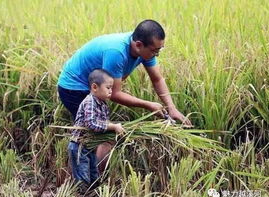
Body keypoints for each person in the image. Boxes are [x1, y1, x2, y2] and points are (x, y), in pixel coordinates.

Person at [58, 19, 191, 125]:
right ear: (138, 45)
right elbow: (115, 94)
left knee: (102, 134)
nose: (157, 54)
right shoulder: (116, 53)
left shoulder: (147, 52)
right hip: (74, 87)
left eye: (159, 50)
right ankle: (83, 158)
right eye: (154, 50)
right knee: (98, 135)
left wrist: (171, 107)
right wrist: (148, 105)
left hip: (96, 86)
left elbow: (157, 79)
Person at [68, 69, 124, 193]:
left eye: (111, 88)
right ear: (94, 87)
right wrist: (113, 127)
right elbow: (92, 123)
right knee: (83, 178)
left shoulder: (102, 104)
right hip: (79, 146)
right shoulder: (90, 102)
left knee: (94, 175)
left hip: (89, 146)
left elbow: (103, 122)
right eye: (108, 88)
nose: (111, 91)